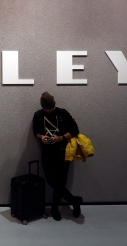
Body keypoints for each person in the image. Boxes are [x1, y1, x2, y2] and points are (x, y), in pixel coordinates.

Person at [32, 92, 83, 221]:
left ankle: (55, 208)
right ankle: (74, 201)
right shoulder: (38, 115)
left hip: (63, 152)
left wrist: (60, 137)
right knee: (52, 181)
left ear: (55, 105)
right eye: (46, 108)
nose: (49, 111)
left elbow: (75, 130)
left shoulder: (62, 113)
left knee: (61, 182)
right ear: (42, 107)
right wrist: (42, 137)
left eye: (51, 108)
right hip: (47, 153)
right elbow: (36, 132)